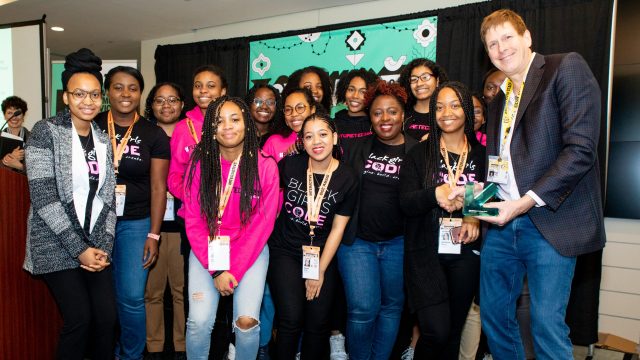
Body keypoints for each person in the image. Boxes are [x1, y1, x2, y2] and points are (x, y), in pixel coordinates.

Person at [471, 9, 605, 359]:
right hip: (502, 227)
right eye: (492, 44)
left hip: (550, 221)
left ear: (527, 37)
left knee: (546, 324)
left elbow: (580, 150)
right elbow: (503, 169)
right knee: (495, 317)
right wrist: (473, 198)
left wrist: (525, 201)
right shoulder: (499, 98)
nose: (500, 49)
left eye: (507, 38)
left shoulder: (565, 68)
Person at [23, 48, 117, 360]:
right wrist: (79, 249)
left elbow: (108, 199)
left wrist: (105, 247)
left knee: (107, 319)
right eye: (79, 94)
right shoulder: (44, 132)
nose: (87, 101)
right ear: (66, 97)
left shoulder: (103, 138)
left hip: (95, 243)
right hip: (54, 243)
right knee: (80, 320)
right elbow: (44, 198)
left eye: (94, 95)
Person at [182, 96, 279, 359]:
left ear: (247, 124)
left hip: (251, 249)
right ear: (210, 129)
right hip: (208, 249)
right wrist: (217, 270)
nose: (227, 126)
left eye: (235, 119)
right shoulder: (199, 165)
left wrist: (232, 270)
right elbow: (193, 219)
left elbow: (262, 224)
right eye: (219, 121)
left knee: (246, 323)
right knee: (199, 323)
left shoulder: (266, 165)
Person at [400, 81, 484, 359]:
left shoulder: (481, 155)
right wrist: (434, 194)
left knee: (452, 333)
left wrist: (474, 218)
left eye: (455, 104)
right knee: (436, 330)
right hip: (424, 253)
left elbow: (494, 195)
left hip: (465, 253)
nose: (446, 112)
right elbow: (405, 203)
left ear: (467, 112)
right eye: (439, 106)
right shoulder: (418, 154)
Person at [268, 112, 358, 360]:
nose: (316, 142)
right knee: (290, 319)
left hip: (322, 254)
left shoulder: (348, 177)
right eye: (309, 136)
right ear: (302, 142)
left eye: (323, 134)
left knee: (318, 323)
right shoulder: (289, 165)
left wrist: (319, 271)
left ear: (335, 138)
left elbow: (338, 229)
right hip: (285, 251)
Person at [95, 66, 171, 360]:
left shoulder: (153, 134)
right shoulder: (92, 125)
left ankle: (130, 355)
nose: (125, 94)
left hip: (135, 224)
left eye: (133, 88)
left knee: (131, 298)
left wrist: (154, 233)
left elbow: (158, 187)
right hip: (94, 225)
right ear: (107, 93)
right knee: (101, 299)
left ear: (140, 93)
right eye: (118, 87)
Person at [337, 80, 417, 360]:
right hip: (357, 242)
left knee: (392, 307)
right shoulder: (356, 148)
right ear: (370, 118)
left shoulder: (418, 151)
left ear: (403, 115)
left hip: (399, 243)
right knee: (362, 308)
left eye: (392, 112)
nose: (385, 119)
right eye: (378, 113)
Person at [143, 82, 187, 360]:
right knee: (153, 292)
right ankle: (154, 346)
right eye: (160, 100)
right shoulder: (143, 135)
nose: (167, 105)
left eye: (172, 100)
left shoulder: (193, 134)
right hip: (150, 226)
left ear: (182, 105)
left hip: (185, 226)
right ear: (151, 106)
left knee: (183, 292)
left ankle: (183, 346)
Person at [398, 58, 448, 141]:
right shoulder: (402, 113)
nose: (419, 83)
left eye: (425, 77)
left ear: (437, 81)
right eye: (414, 79)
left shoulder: (446, 114)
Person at [262, 87, 318, 162]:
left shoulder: (322, 140)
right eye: (288, 109)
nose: (294, 114)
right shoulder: (274, 143)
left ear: (312, 110)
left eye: (300, 107)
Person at [333, 68, 379, 159]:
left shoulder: (376, 124)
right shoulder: (332, 125)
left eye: (363, 92)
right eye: (351, 89)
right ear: (344, 91)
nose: (355, 96)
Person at [245, 83, 283, 148]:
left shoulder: (280, 137)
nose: (264, 106)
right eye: (258, 101)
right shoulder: (240, 135)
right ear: (249, 104)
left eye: (270, 102)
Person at [1, 96, 30, 171]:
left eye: (18, 113)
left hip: (25, 182)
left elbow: (40, 168)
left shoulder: (34, 138)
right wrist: (10, 158)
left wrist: (20, 166)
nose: (14, 117)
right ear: (4, 116)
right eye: (9, 113)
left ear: (23, 116)